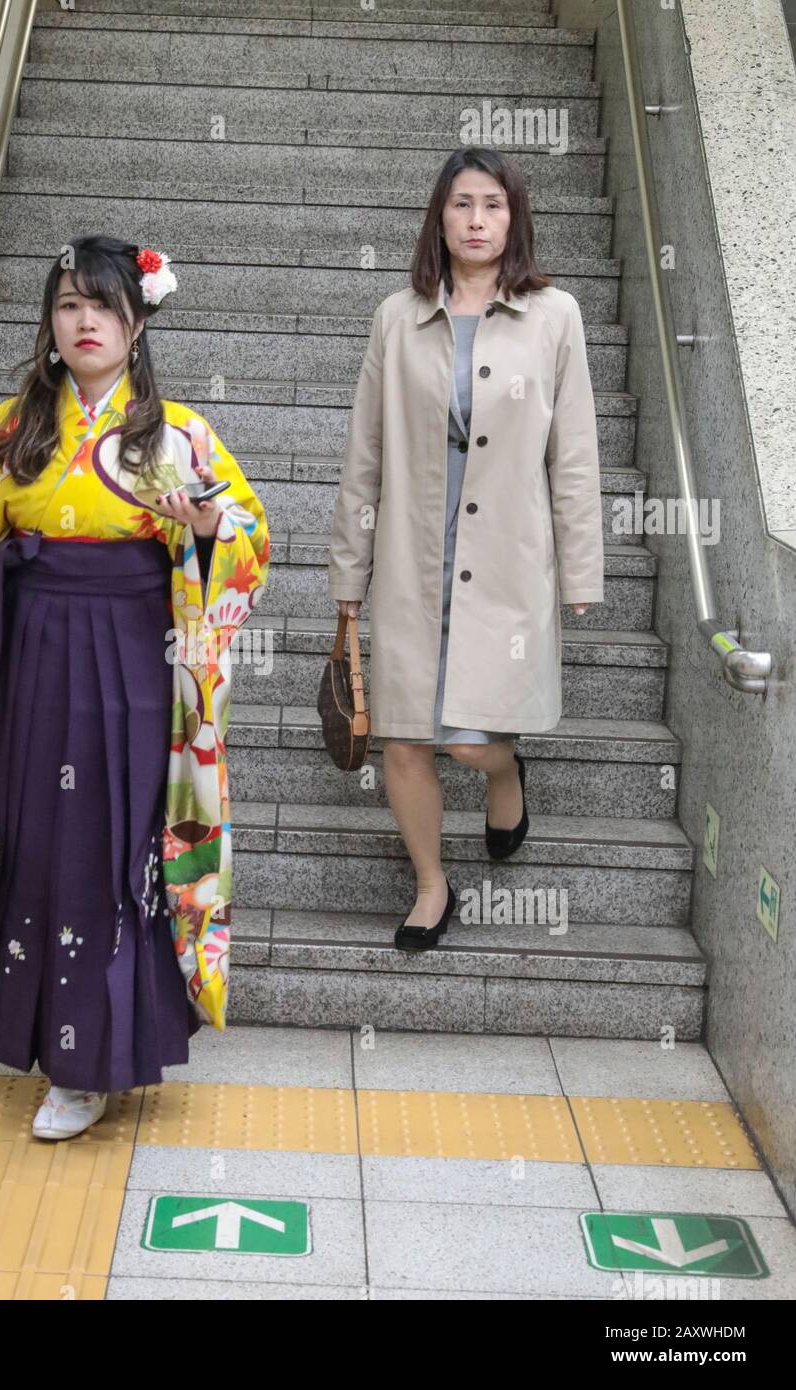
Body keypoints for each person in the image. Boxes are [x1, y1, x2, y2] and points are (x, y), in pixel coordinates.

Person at [0, 236, 271, 1137]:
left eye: (102, 305)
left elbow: (249, 539)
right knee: (39, 837)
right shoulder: (14, 431)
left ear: (136, 325)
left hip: (138, 655)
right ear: (50, 327)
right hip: (31, 658)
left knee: (112, 843)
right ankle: (58, 1049)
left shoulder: (177, 436)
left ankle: (90, 1063)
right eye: (67, 305)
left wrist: (204, 524)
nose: (84, 320)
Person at [327, 147, 604, 952]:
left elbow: (574, 453)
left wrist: (579, 567)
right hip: (412, 560)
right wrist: (350, 571)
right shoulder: (396, 316)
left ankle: (506, 772)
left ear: (512, 218)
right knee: (406, 737)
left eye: (491, 204)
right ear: (437, 219)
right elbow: (363, 455)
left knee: (466, 738)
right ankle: (428, 885)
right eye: (460, 205)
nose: (475, 219)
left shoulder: (555, 315)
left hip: (507, 560)